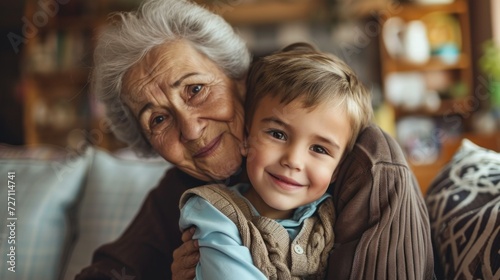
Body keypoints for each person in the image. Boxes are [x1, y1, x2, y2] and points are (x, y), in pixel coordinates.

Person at [76, 0, 435, 279]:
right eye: (157, 119)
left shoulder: (365, 161)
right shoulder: (187, 187)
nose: (190, 129)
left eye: (196, 89)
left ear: (239, 79)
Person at [178, 42, 372, 279]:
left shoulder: (335, 216)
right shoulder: (212, 212)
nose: (293, 160)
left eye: (319, 149)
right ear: (246, 137)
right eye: (277, 134)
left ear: (337, 169)